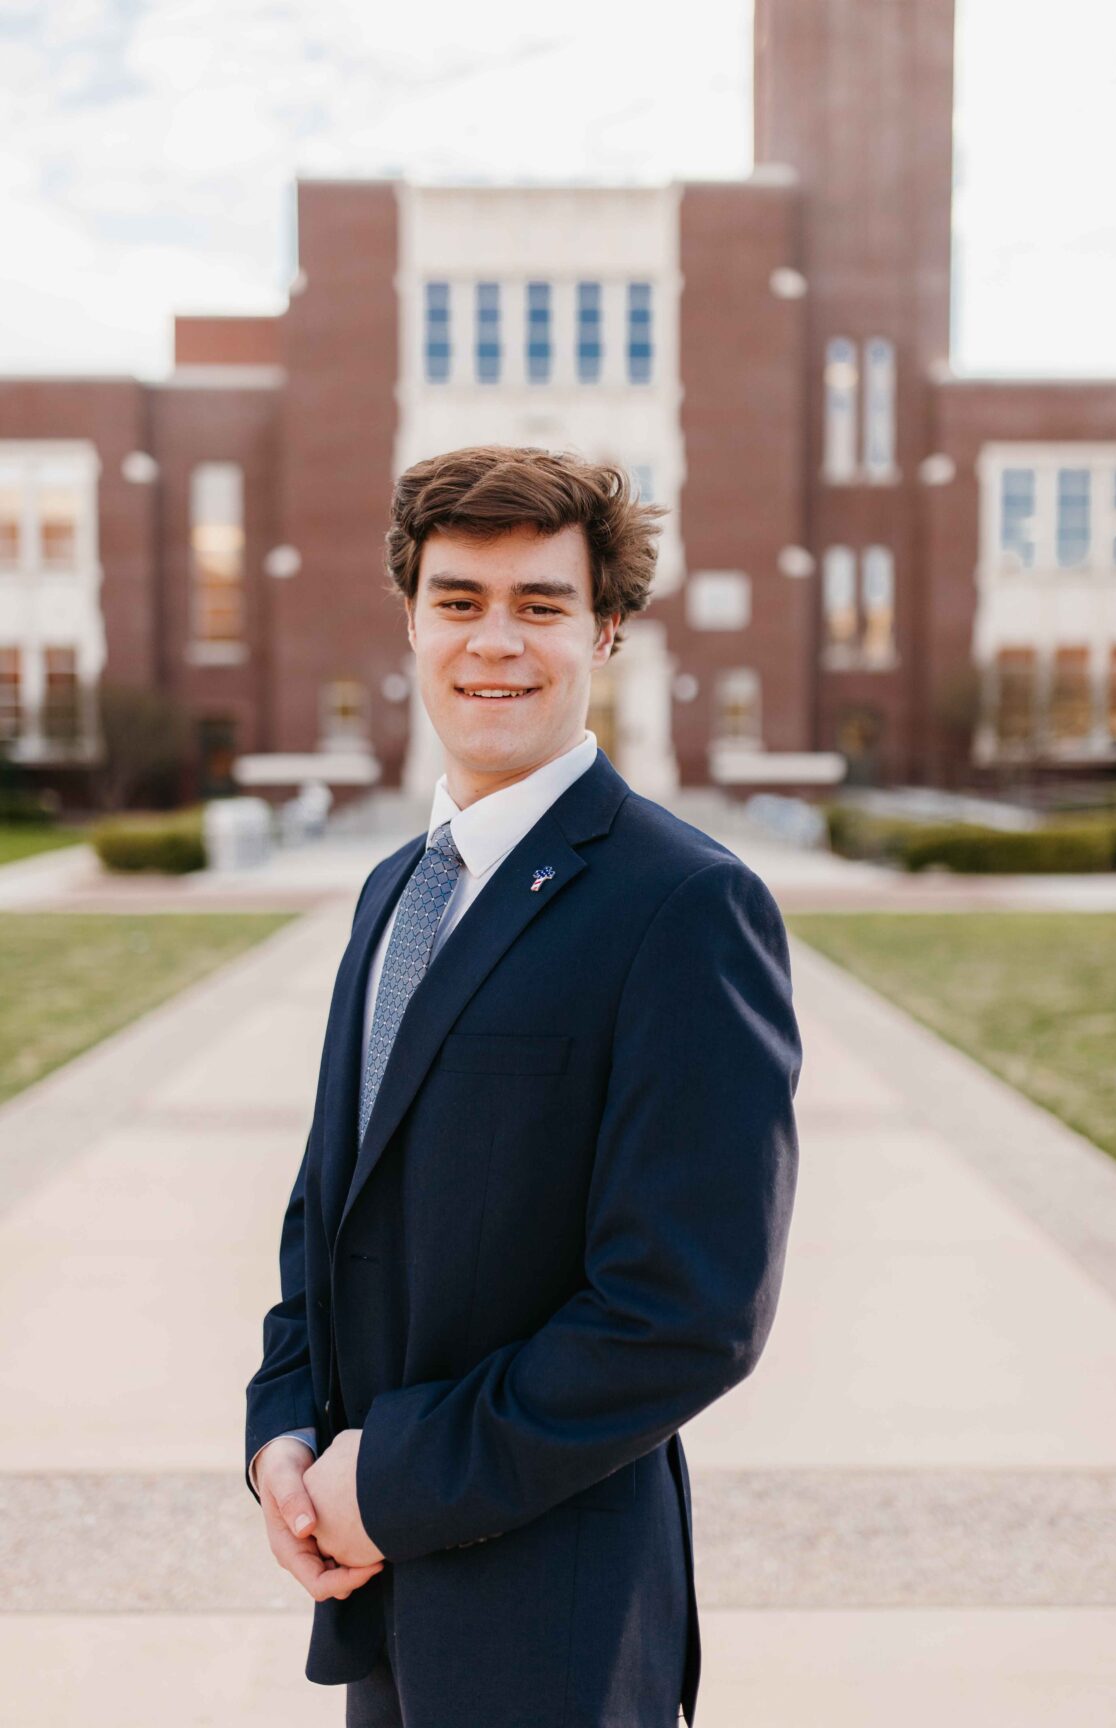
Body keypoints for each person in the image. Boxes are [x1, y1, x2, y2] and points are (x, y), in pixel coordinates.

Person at [244, 444, 802, 1728]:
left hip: (557, 1622)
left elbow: (686, 1310)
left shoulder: (687, 906)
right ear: (411, 619)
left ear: (606, 630)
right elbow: (329, 1210)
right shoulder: (395, 891)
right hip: (375, 1605)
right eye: (460, 601)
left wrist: (389, 1486)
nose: (496, 640)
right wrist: (281, 1439)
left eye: (541, 604)